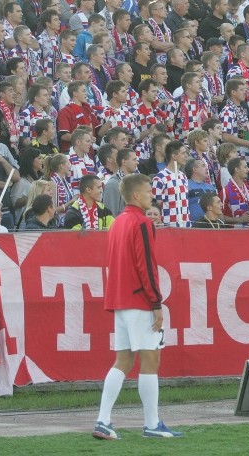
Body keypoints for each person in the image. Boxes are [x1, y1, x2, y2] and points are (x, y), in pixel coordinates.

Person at [93, 173, 183, 440]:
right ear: (135, 195)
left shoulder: (119, 221)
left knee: (123, 360)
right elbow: (147, 265)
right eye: (147, 191)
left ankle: (103, 420)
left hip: (119, 300)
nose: (151, 195)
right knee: (150, 359)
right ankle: (152, 424)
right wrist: (156, 303)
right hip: (138, 300)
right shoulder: (142, 223)